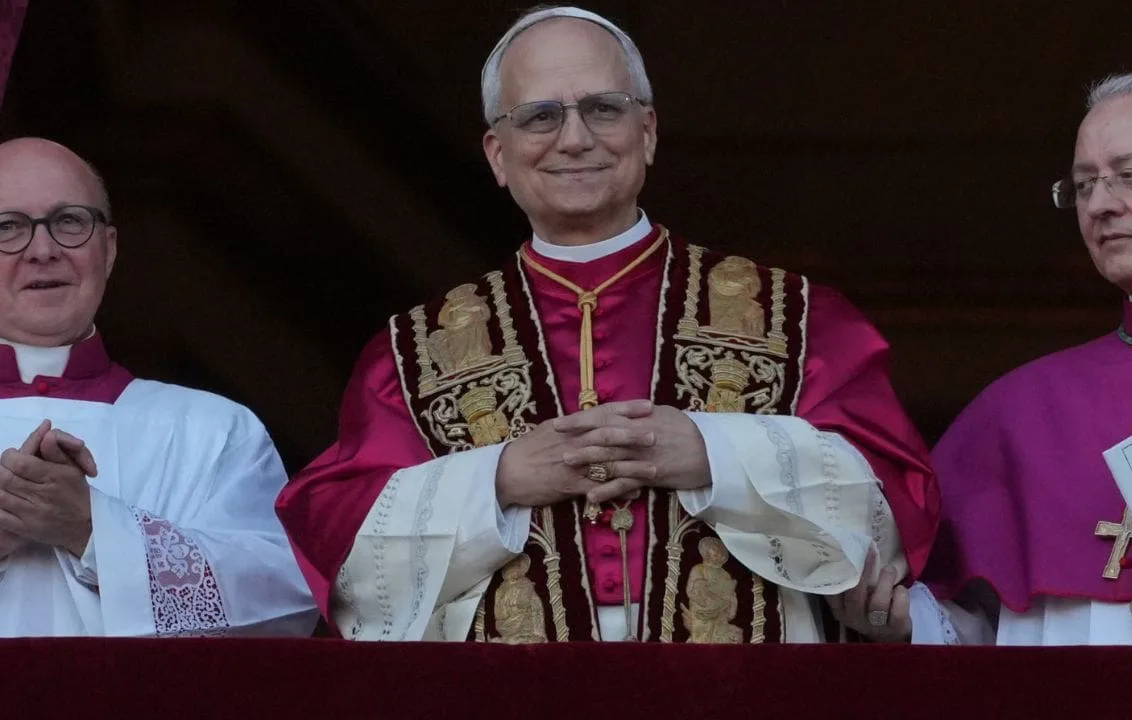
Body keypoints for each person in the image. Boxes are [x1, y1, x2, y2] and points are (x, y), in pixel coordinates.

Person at [276, 5, 940, 643]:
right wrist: (498, 479)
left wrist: (714, 454)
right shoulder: (415, 352)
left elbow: (898, 501)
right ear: (498, 154)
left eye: (603, 108)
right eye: (540, 116)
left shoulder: (794, 318)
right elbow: (339, 546)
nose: (574, 139)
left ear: (647, 132)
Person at [899, 71, 1132, 645]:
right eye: (1083, 185)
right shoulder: (1020, 406)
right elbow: (977, 629)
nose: (1100, 205)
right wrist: (902, 620)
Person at [0, 137, 317, 636]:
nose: (43, 251)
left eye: (70, 222)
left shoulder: (215, 430)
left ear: (108, 249)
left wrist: (92, 529)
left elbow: (286, 605)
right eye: (7, 227)